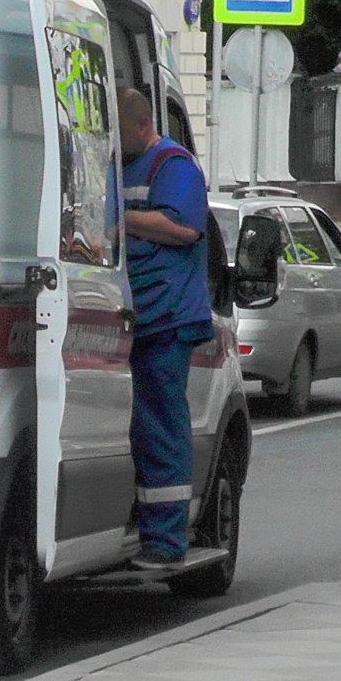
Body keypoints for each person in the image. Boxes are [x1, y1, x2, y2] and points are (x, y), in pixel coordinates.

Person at [116, 87, 213, 569]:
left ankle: (166, 542)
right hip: (137, 316)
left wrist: (118, 220)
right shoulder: (126, 165)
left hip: (167, 319)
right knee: (142, 427)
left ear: (140, 125)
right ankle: (146, 530)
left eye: (121, 132)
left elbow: (184, 229)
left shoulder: (173, 164)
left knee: (160, 427)